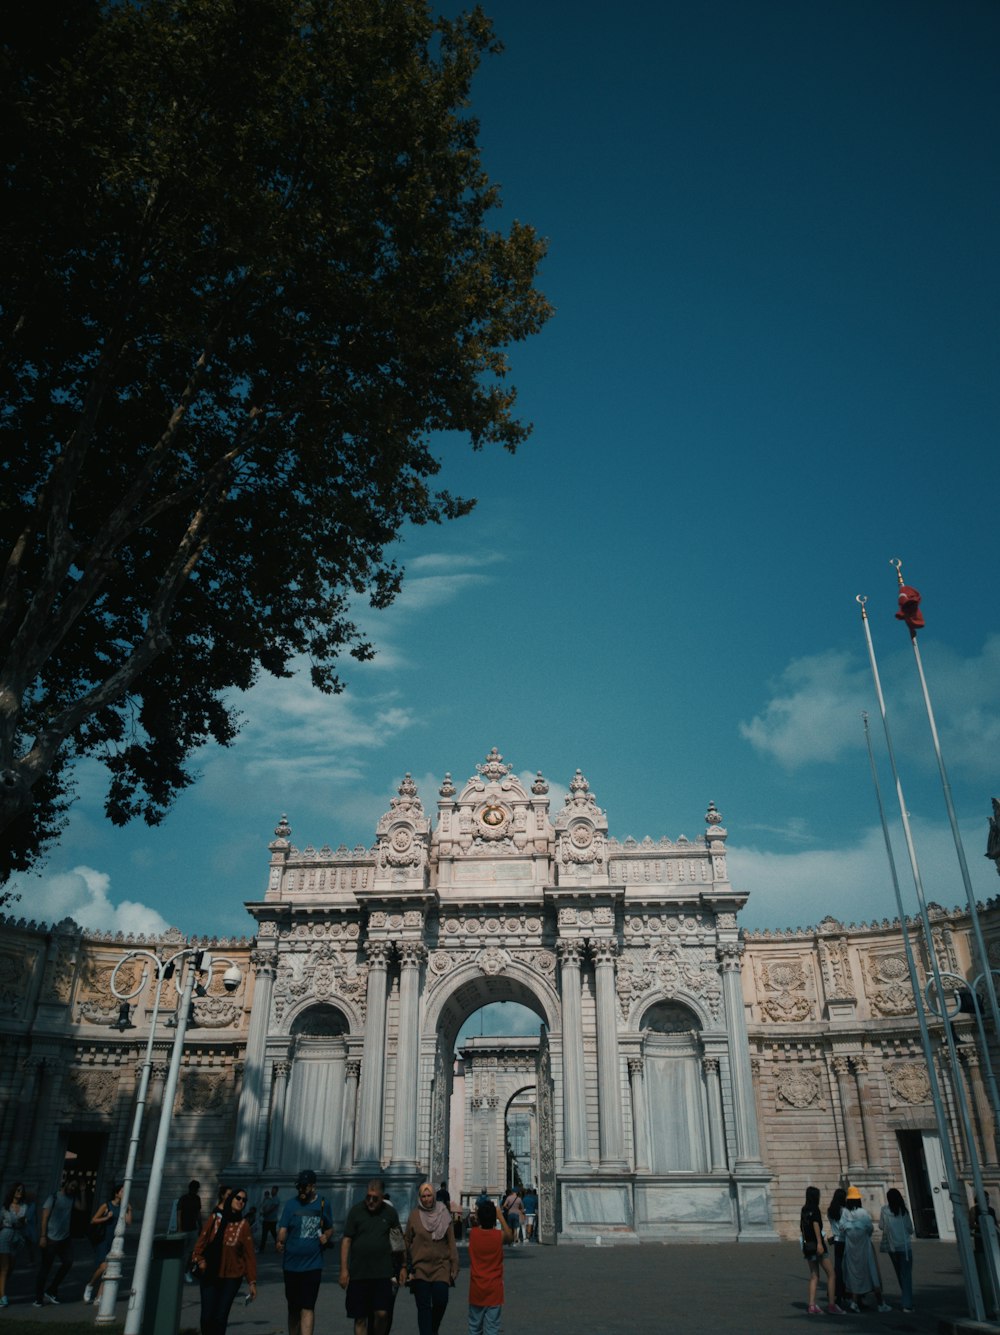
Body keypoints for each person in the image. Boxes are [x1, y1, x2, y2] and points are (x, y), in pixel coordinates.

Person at [191, 1185, 257, 1335]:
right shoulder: (216, 1218)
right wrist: (200, 1260)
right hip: (210, 1273)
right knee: (207, 1316)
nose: (241, 1202)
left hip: (232, 1277)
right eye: (238, 1198)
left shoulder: (244, 1225)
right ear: (230, 1199)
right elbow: (201, 1243)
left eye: (244, 1200)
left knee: (220, 1317)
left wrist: (252, 1281)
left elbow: (249, 1255)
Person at [340, 1178, 400, 1335]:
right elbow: (346, 1240)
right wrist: (344, 1270)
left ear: (383, 1197)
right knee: (360, 1318)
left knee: (382, 1314)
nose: (371, 1201)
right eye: (368, 1197)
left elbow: (398, 1243)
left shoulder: (390, 1213)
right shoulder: (356, 1211)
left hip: (382, 1273)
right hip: (359, 1273)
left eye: (375, 1198)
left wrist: (403, 1267)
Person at [400, 1182, 459, 1335]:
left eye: (429, 1195)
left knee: (441, 1301)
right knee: (423, 1307)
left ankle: (432, 1329)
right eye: (424, 1196)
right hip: (420, 1268)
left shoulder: (444, 1213)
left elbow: (451, 1241)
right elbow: (407, 1241)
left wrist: (454, 1263)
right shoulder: (414, 1215)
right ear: (420, 1198)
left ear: (434, 1196)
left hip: (441, 1266)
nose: (427, 1199)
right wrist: (404, 1266)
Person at [280, 1169, 334, 1335]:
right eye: (299, 1187)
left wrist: (326, 1235)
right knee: (293, 1309)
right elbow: (282, 1229)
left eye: (304, 1187)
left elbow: (330, 1228)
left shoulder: (323, 1204)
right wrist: (280, 1239)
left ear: (313, 1187)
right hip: (291, 1265)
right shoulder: (290, 1205)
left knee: (308, 1306)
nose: (301, 1191)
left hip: (313, 1265)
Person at [34, 1175, 84, 1307]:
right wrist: (43, 1236)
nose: (73, 1188)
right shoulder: (53, 1197)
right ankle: (38, 1298)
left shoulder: (72, 1199)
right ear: (66, 1183)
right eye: (72, 1185)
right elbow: (44, 1217)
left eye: (75, 1187)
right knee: (45, 1269)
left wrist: (83, 1191)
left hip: (65, 1239)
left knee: (68, 1262)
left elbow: (82, 1208)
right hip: (50, 1238)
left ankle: (51, 1290)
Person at [841, 1185, 891, 1313]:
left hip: (851, 1249)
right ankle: (880, 1303)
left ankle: (854, 1302)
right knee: (873, 1273)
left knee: (854, 1275)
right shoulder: (863, 1213)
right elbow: (870, 1228)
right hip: (864, 1248)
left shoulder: (845, 1213)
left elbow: (842, 1228)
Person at [468, 1200, 512, 1335]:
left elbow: (474, 1223)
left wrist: (477, 1214)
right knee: (492, 1329)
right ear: (494, 1218)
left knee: (474, 1328)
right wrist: (501, 1217)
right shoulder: (498, 1236)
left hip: (477, 1288)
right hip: (494, 1288)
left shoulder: (473, 1234)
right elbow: (510, 1236)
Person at [83, 1182, 132, 1304]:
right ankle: (90, 1285)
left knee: (109, 1269)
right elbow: (94, 1220)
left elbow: (129, 1222)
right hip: (103, 1239)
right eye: (122, 1191)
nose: (124, 1193)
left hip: (115, 1241)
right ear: (116, 1193)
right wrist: (106, 1217)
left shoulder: (123, 1207)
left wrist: (129, 1209)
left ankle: (99, 1297)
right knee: (104, 1266)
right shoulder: (107, 1205)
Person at [800, 1185, 842, 1315]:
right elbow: (816, 1225)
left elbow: (802, 1227)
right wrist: (819, 1243)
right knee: (831, 1274)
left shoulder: (804, 1209)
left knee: (814, 1276)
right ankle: (831, 1305)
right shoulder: (815, 1209)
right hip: (817, 1246)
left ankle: (811, 1305)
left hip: (808, 1247)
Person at [879, 1188, 914, 1313]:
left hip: (892, 1247)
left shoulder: (884, 1210)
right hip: (904, 1247)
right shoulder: (903, 1211)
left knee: (900, 1273)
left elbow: (881, 1226)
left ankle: (906, 1297)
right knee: (906, 1275)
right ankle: (907, 1303)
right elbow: (910, 1229)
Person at [0, 1183, 29, 1307]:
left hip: (18, 1237)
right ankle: (2, 1296)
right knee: (5, 1268)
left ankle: (1, 1289)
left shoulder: (24, 1206)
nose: (20, 1192)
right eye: (17, 1190)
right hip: (6, 1235)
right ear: (13, 1191)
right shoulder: (5, 1207)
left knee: (10, 1268)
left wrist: (24, 1222)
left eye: (21, 1191)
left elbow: (23, 1223)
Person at [178, 1180, 203, 1284]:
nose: (195, 1191)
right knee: (184, 1252)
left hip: (193, 1228)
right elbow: (179, 1213)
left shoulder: (197, 1199)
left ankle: (186, 1271)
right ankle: (182, 1271)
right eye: (194, 1189)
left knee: (191, 1252)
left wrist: (200, 1226)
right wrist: (179, 1228)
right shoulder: (183, 1199)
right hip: (184, 1228)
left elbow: (198, 1213)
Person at [826, 1187, 848, 1305]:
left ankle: (838, 1293)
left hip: (836, 1241)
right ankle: (848, 1292)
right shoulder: (844, 1211)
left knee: (838, 1268)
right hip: (845, 1241)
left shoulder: (830, 1211)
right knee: (848, 1267)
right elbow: (845, 1226)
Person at [259, 1187, 281, 1252]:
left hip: (272, 1220)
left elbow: (273, 1208)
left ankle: (279, 1247)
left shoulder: (276, 1199)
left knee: (274, 1235)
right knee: (265, 1235)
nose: (272, 1192)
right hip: (267, 1220)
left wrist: (265, 1213)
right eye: (272, 1190)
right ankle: (262, 1248)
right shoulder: (271, 1199)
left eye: (274, 1191)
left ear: (276, 1191)